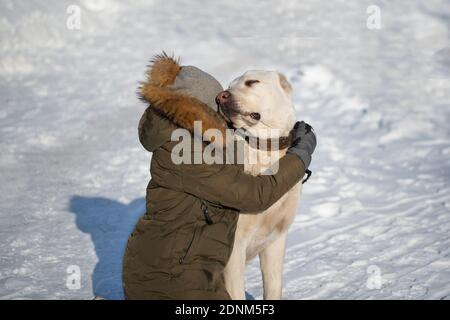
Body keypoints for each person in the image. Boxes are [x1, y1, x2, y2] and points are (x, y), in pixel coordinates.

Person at [122, 53, 317, 299]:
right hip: (173, 280)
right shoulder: (189, 151)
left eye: (249, 83)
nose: (226, 97)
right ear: (195, 110)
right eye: (219, 100)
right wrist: (299, 156)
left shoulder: (217, 143)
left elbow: (274, 235)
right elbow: (253, 196)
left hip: (191, 270)